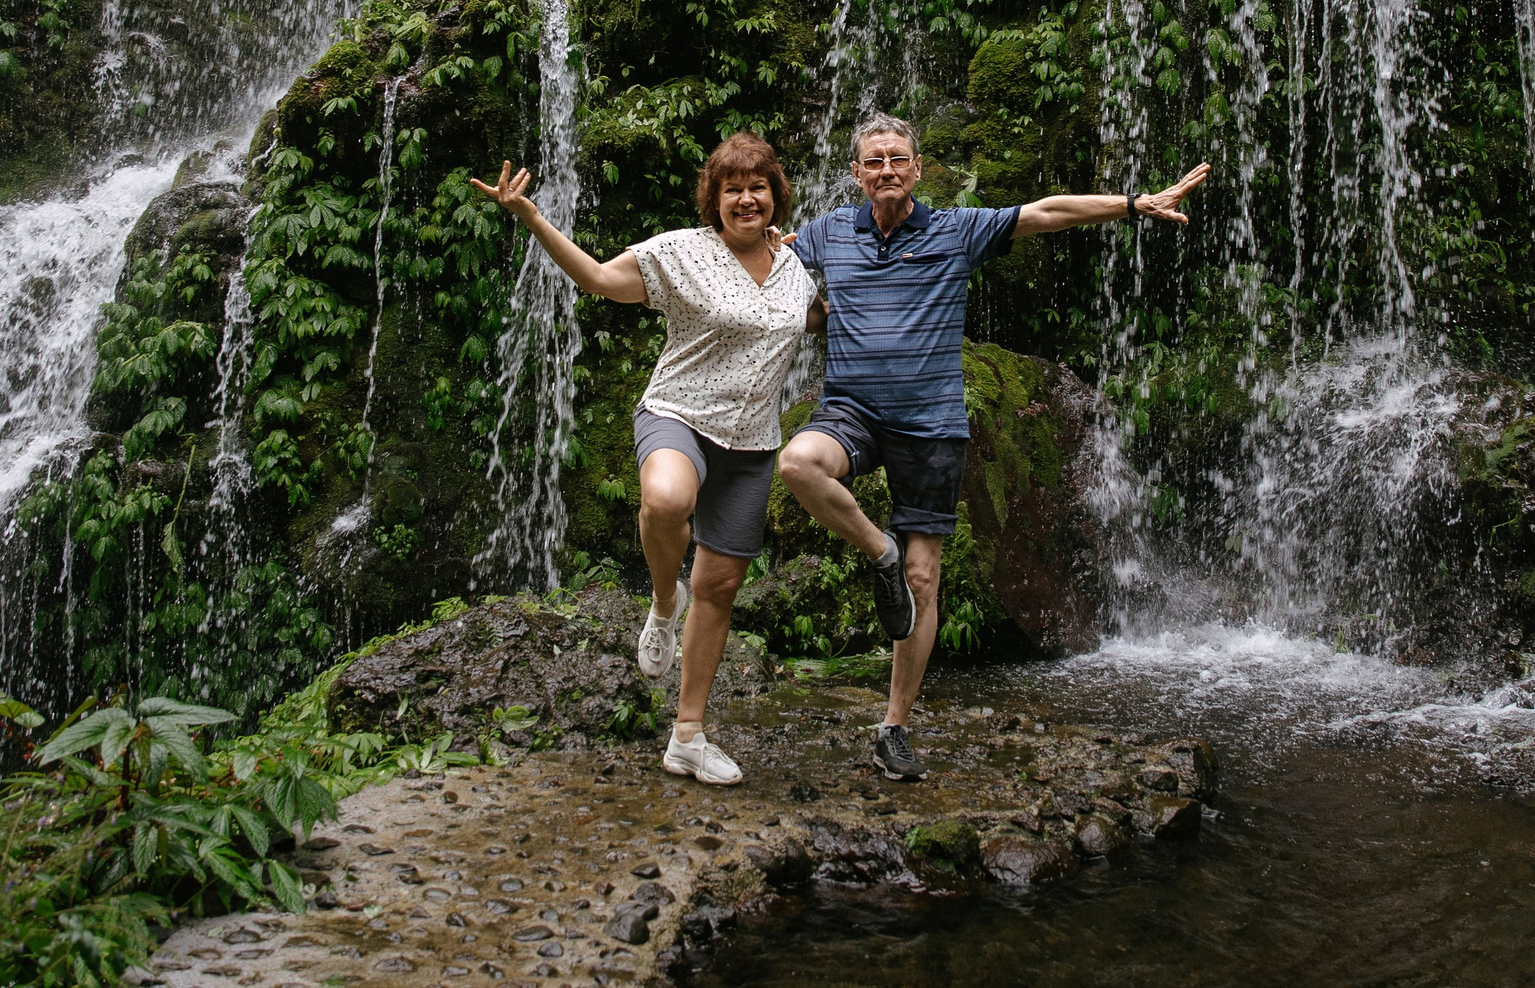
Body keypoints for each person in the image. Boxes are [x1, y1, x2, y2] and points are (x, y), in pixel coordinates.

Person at [779, 112, 1209, 782]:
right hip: (851, 412)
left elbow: (1045, 213)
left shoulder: (956, 229)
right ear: (856, 173)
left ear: (917, 168)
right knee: (798, 463)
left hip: (932, 425)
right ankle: (877, 549)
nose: (887, 170)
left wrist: (1132, 203)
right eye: (875, 161)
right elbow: (761, 271)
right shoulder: (827, 233)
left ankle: (894, 725)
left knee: (924, 578)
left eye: (898, 158)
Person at [474, 131, 822, 785]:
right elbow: (600, 280)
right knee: (666, 500)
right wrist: (532, 217)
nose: (746, 199)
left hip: (750, 442)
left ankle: (687, 736)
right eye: (732, 190)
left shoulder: (795, 267)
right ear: (714, 200)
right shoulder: (682, 253)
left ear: (776, 195)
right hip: (678, 414)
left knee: (718, 589)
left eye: (758, 187)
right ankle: (663, 602)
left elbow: (818, 318)